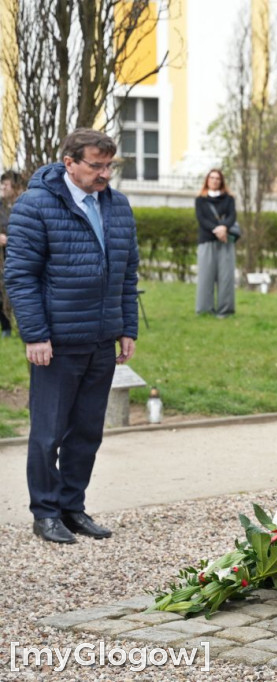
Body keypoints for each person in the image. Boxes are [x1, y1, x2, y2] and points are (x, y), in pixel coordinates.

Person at [3, 128, 139, 544]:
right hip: (56, 343)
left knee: (86, 432)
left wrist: (126, 327)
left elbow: (127, 273)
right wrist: (35, 335)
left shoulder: (117, 205)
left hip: (101, 339)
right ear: (70, 163)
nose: (104, 174)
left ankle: (72, 507)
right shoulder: (35, 205)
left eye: (109, 165)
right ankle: (45, 513)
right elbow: (20, 276)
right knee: (48, 434)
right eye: (96, 165)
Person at [194, 169, 236, 318]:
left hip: (225, 242)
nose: (214, 180)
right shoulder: (200, 199)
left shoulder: (229, 199)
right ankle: (205, 309)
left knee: (226, 277)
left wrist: (224, 228)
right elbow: (202, 219)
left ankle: (225, 310)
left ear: (221, 181)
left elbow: (232, 216)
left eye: (217, 178)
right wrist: (217, 229)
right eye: (212, 178)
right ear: (207, 180)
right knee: (205, 277)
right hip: (206, 241)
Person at [0, 170, 22, 338]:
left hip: (20, 255)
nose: (2, 188)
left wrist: (11, 239)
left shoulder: (24, 205)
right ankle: (6, 327)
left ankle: (22, 325)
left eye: (5, 185)